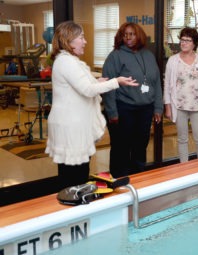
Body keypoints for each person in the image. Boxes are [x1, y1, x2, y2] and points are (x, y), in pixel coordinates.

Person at [45, 21, 138, 190]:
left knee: (77, 173)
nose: (85, 41)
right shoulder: (66, 62)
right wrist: (116, 81)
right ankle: (73, 211)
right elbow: (87, 90)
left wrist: (98, 81)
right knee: (74, 177)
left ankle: (76, 210)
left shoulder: (69, 61)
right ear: (69, 40)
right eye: (81, 37)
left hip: (74, 126)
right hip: (71, 127)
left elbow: (78, 85)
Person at [102, 22, 163, 178]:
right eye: (125, 34)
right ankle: (119, 181)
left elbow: (156, 83)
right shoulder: (115, 56)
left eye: (132, 34)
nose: (128, 37)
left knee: (140, 147)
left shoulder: (148, 55)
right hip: (124, 109)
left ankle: (138, 179)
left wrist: (158, 108)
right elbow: (108, 86)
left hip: (145, 110)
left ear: (139, 36)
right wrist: (112, 112)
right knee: (121, 148)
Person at [164, 27, 198, 163]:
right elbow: (167, 84)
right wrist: (167, 107)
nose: (183, 43)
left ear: (194, 43)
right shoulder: (173, 60)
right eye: (182, 40)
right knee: (182, 139)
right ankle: (183, 168)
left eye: (187, 40)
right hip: (179, 105)